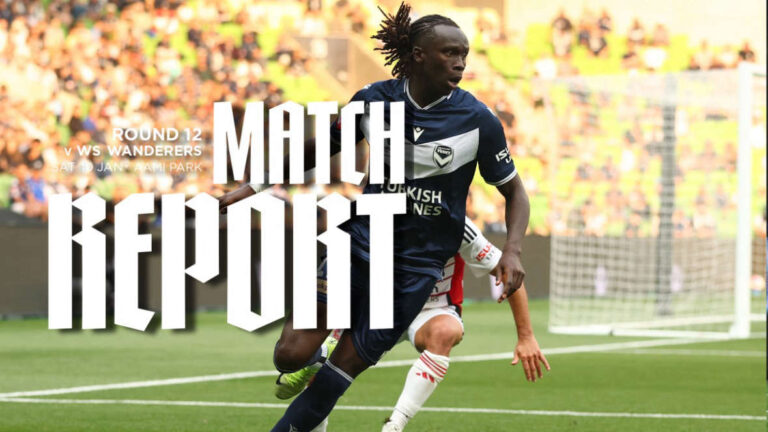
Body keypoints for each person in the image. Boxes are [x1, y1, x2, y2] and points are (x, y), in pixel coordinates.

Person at [218, 4, 534, 431]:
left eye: (464, 54)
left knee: (339, 376)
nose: (460, 62)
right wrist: (255, 185)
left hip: (415, 270)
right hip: (360, 245)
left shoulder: (478, 120)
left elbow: (515, 192)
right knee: (289, 355)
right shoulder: (372, 100)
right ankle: (313, 358)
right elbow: (321, 147)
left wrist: (512, 250)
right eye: (450, 53)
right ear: (418, 55)